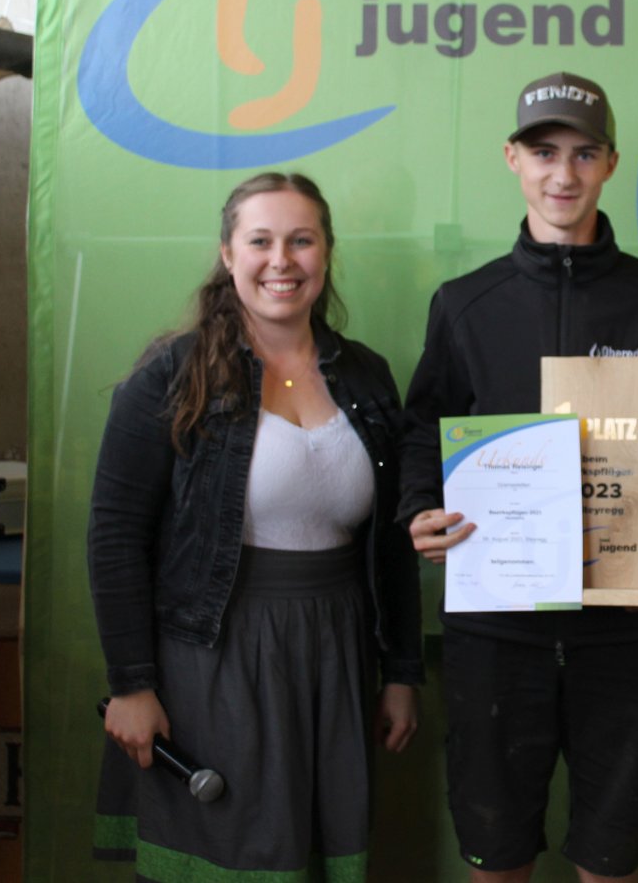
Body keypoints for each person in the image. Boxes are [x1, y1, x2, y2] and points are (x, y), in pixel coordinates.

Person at [400, 71, 638, 883]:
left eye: (583, 154)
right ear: (513, 158)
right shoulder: (464, 303)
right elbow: (424, 428)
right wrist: (420, 507)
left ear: (611, 163)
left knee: (611, 859)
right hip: (496, 636)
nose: (562, 174)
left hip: (627, 635)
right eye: (543, 153)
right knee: (496, 857)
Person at [88, 172, 422, 881]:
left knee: (316, 854)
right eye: (261, 241)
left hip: (336, 652)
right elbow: (115, 536)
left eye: (301, 240)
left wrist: (399, 672)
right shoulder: (173, 375)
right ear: (228, 254)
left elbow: (392, 543)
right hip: (213, 657)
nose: (282, 261)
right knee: (230, 851)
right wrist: (131, 684)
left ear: (326, 252)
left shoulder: (367, 375)